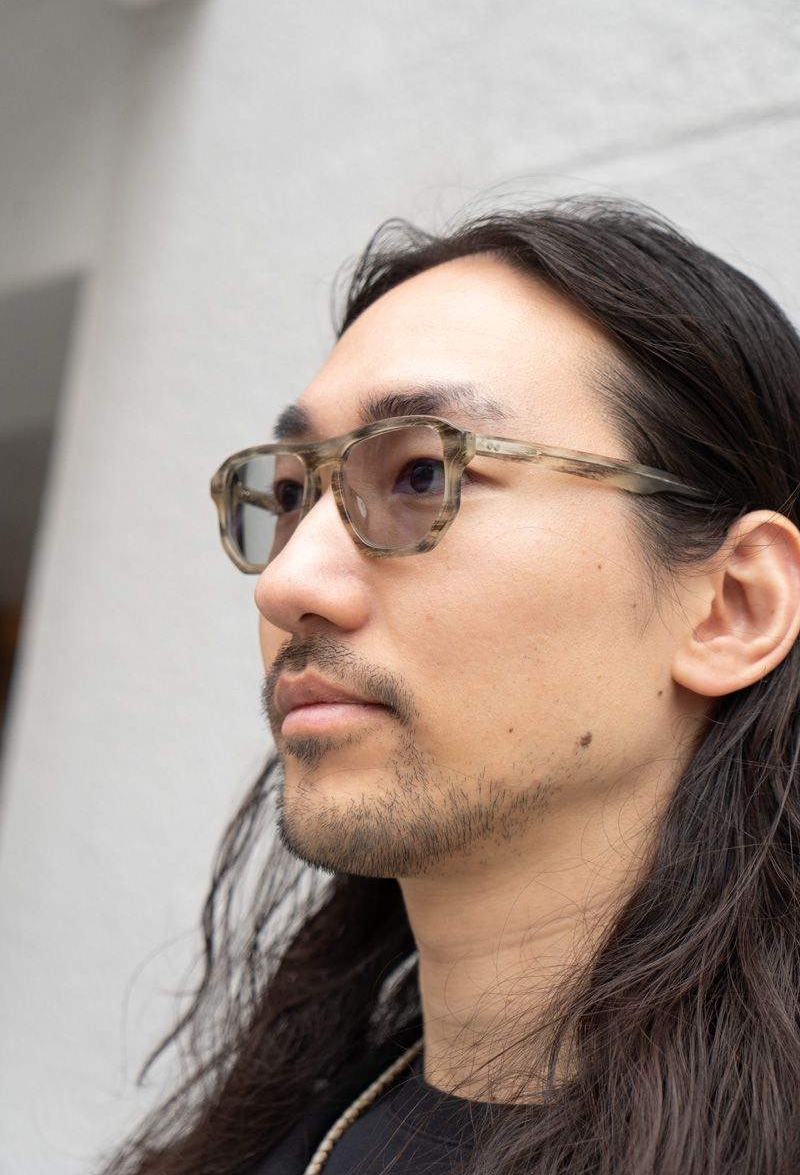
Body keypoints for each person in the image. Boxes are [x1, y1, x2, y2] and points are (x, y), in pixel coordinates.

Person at [102, 198, 800, 1175]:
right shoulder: (278, 1136)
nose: (286, 583)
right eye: (294, 495)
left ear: (732, 607)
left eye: (423, 475)